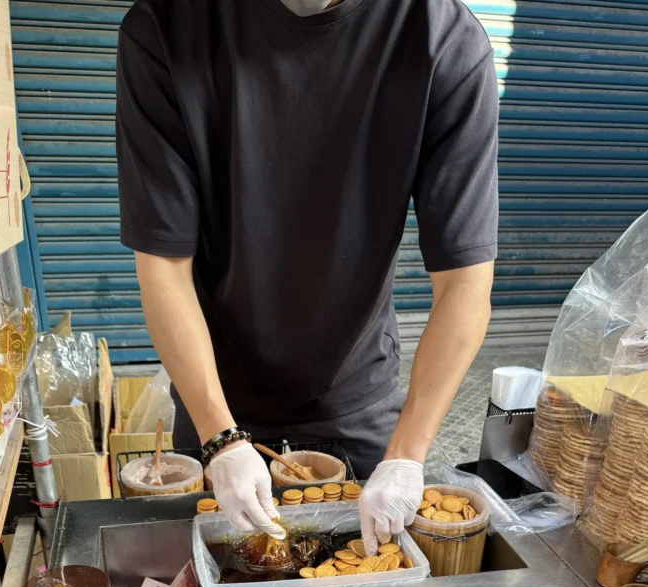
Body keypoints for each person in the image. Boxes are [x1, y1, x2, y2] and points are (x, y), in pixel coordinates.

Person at [116, 0, 498, 552]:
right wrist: (221, 439)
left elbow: (465, 283)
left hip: (359, 406)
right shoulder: (167, 28)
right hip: (216, 400)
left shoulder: (441, 40)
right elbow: (163, 270)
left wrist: (407, 456)